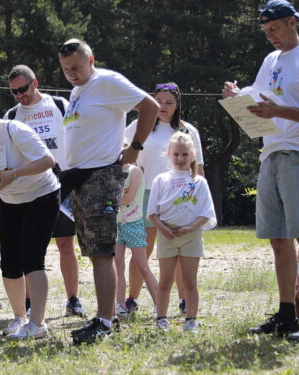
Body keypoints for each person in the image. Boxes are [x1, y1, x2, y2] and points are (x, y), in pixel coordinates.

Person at [223, 0, 299, 341]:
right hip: (270, 153)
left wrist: (278, 112)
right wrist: (238, 97)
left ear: (291, 23)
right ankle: (286, 316)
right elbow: (263, 102)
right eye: (265, 31)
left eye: (274, 29)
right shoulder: (270, 60)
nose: (269, 36)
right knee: (278, 240)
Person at [57, 38, 159, 344]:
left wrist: (135, 148)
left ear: (91, 60)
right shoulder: (77, 91)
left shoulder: (107, 81)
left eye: (76, 67)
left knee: (102, 251)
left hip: (102, 175)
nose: (71, 73)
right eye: (65, 69)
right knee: (93, 251)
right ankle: (106, 315)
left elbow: (150, 106)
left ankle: (104, 321)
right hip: (79, 179)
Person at [0, 89, 60, 339]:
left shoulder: (14, 130)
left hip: (42, 195)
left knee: (32, 260)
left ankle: (38, 324)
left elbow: (48, 161)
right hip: (11, 202)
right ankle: (20, 317)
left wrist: (15, 173)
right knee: (9, 264)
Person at [4, 64, 87, 317]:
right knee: (28, 249)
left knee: (65, 244)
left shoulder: (60, 105)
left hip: (62, 184)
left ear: (35, 83)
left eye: (23, 89)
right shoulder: (11, 115)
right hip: (29, 188)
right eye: (14, 92)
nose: (20, 96)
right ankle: (29, 302)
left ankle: (73, 300)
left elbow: (78, 136)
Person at [124, 82, 205, 316]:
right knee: (142, 250)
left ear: (178, 105)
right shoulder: (138, 127)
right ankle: (132, 299)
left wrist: (197, 199)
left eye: (169, 102)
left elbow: (198, 169)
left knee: (179, 252)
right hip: (145, 194)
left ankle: (182, 300)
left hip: (179, 198)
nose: (163, 106)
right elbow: (123, 153)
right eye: (158, 101)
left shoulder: (189, 131)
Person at [147, 132, 216, 333]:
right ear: (168, 154)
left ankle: (191, 320)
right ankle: (161, 318)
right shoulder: (161, 179)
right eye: (176, 154)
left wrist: (190, 227)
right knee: (165, 280)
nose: (180, 159)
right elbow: (152, 212)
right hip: (166, 235)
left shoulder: (199, 182)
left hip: (191, 237)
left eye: (185, 154)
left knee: (189, 280)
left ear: (193, 155)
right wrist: (164, 229)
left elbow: (206, 213)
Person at [114, 162, 157, 318]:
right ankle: (120, 306)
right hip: (116, 224)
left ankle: (160, 305)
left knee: (143, 267)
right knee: (117, 268)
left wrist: (114, 196)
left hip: (133, 224)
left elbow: (128, 198)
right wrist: (120, 194)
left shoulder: (135, 171)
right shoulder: (111, 171)